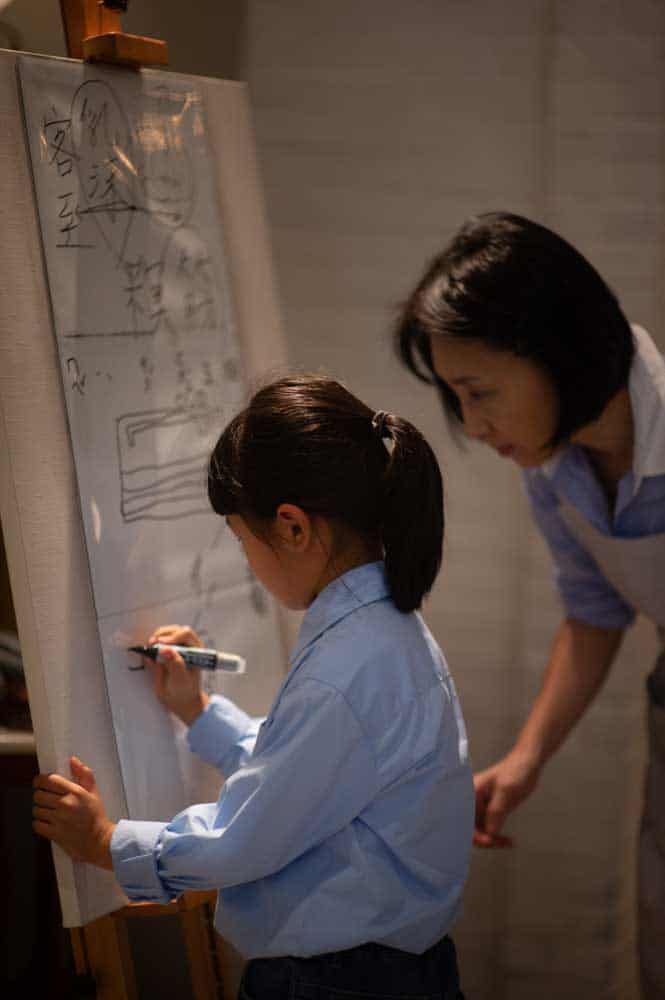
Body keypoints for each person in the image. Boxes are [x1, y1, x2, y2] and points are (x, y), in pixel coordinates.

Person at [33, 374, 473, 1000]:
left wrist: (108, 843)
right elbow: (308, 778)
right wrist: (199, 712)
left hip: (336, 983)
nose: (247, 560)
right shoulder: (385, 633)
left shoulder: (343, 670)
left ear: (292, 528)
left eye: (242, 540)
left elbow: (241, 839)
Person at [396, 210, 665, 998]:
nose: (471, 425)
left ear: (560, 352)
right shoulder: (555, 468)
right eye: (455, 397)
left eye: (479, 393)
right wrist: (524, 761)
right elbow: (594, 612)